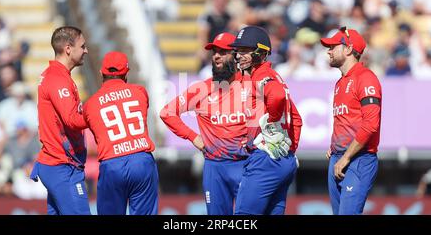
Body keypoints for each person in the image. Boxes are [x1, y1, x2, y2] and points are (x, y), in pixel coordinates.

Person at [160, 32, 250, 215]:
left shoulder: (250, 85)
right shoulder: (202, 89)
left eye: (223, 52)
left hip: (245, 164)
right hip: (214, 168)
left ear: (235, 55)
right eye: (214, 51)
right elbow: (167, 113)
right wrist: (193, 137)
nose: (216, 56)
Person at [230, 25, 302, 215]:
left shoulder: (261, 75)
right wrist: (290, 148)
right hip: (282, 161)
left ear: (260, 52)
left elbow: (277, 96)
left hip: (265, 160)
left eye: (245, 51)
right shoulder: (275, 75)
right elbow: (297, 118)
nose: (238, 56)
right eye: (238, 51)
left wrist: (271, 122)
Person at [82, 51, 158, 215]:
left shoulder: (90, 104)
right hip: (141, 160)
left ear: (101, 73)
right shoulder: (140, 92)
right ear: (126, 73)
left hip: (112, 163)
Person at [320, 27, 382, 215]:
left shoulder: (366, 78)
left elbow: (371, 124)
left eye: (333, 46)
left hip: (358, 159)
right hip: (339, 158)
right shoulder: (340, 82)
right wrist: (335, 144)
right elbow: (345, 118)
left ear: (348, 49)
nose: (328, 51)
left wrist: (346, 156)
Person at [30, 26, 90, 215]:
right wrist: (96, 113)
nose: (86, 51)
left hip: (59, 164)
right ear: (68, 49)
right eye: (83, 46)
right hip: (62, 166)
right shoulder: (57, 78)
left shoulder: (58, 76)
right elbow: (72, 119)